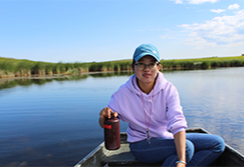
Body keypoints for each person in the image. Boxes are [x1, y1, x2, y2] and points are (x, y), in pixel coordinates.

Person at [99, 44, 225, 167]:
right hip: (141, 144)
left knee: (217, 143)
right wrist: (104, 117)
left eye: (151, 64)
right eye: (141, 63)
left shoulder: (168, 89)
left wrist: (182, 161)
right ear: (133, 67)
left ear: (158, 67)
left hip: (165, 136)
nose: (146, 68)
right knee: (186, 147)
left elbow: (177, 121)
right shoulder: (123, 93)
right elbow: (105, 122)